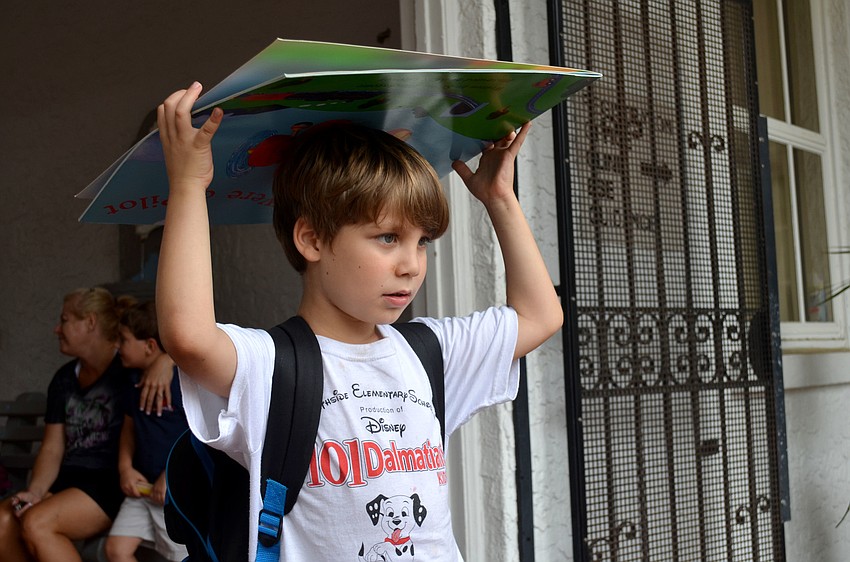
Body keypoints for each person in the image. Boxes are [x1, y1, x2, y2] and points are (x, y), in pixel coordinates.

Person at [155, 82, 563, 561]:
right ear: (310, 239)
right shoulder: (271, 367)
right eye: (387, 237)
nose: (411, 264)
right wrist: (186, 186)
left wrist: (500, 197)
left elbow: (540, 315)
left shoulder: (429, 352)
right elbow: (189, 337)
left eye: (422, 241)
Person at [0, 288, 174, 561]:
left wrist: (167, 360)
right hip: (68, 481)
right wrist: (35, 491)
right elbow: (52, 449)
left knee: (38, 523)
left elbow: (170, 349)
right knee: (3, 520)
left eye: (65, 319)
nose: (57, 328)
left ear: (90, 322)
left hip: (111, 484)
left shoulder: (128, 367)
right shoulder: (64, 379)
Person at [104, 300, 189, 562]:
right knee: (116, 549)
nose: (117, 346)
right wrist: (125, 467)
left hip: (174, 492)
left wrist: (171, 474)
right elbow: (129, 429)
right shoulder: (130, 380)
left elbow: (195, 434)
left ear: (150, 345)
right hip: (142, 489)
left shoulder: (180, 383)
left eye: (124, 339)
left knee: (180, 555)